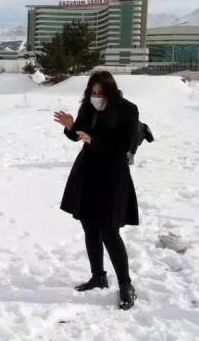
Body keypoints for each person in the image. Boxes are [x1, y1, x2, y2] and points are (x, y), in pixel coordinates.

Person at [53, 70, 139, 310]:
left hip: (113, 175)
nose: (96, 94)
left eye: (101, 91)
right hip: (88, 172)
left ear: (111, 90)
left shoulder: (127, 110)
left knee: (109, 231)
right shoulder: (88, 107)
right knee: (89, 226)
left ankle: (125, 284)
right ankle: (98, 276)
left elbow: (125, 145)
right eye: (93, 90)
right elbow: (79, 134)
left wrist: (95, 141)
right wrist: (71, 127)